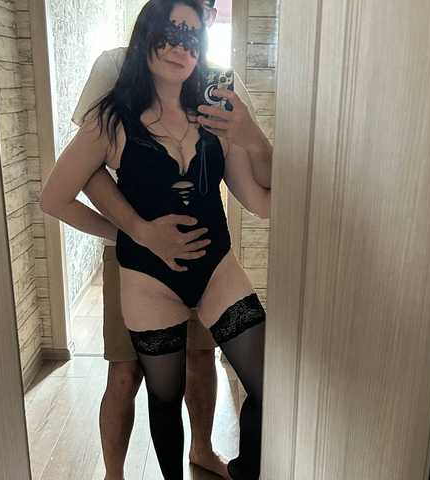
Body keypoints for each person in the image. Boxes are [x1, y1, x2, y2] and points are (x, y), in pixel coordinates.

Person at [40, 1, 272, 478]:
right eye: (169, 32)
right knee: (163, 398)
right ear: (146, 34)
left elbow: (263, 201)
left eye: (191, 36)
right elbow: (56, 197)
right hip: (149, 281)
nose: (179, 47)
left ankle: (246, 469)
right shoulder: (111, 116)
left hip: (217, 271)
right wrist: (138, 236)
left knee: (270, 383)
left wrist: (253, 136)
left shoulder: (215, 112)